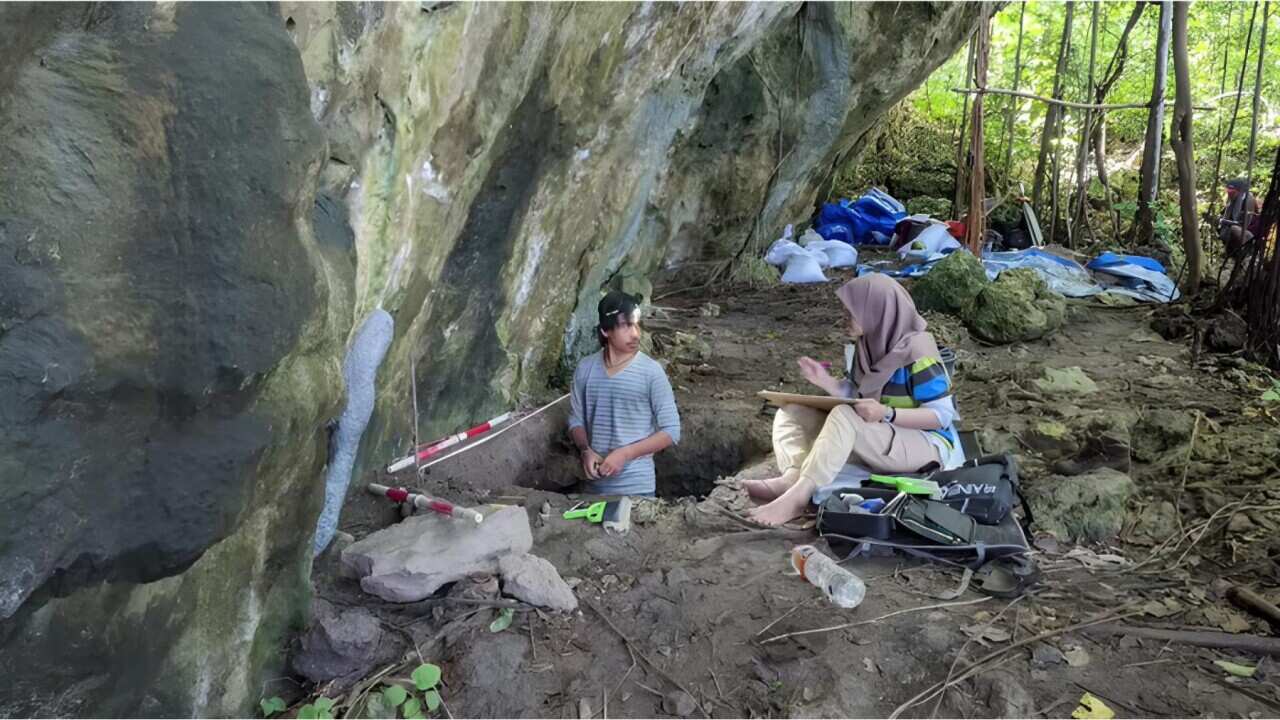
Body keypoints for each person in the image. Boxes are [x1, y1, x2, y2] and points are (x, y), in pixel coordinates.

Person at [744, 274, 962, 526]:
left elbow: (941, 416)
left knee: (843, 416)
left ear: (877, 312)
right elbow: (858, 395)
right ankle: (793, 476)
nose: (844, 319)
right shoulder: (868, 345)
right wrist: (826, 382)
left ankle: (798, 498)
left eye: (851, 313)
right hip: (880, 431)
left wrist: (887, 413)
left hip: (925, 444)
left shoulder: (920, 355)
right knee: (791, 411)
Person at [567, 290, 681, 496]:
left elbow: (671, 431)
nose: (636, 333)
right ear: (605, 330)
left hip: (637, 490)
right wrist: (585, 450)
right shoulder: (585, 369)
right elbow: (576, 421)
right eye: (626, 325)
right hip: (591, 490)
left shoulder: (651, 372)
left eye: (637, 325)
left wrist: (625, 453)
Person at [1219, 178, 1261, 257]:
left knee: (1234, 229)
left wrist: (1225, 221)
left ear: (1240, 191)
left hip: (1248, 230)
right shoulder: (1232, 199)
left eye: (1232, 192)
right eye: (1228, 192)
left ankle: (1245, 252)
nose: (1229, 194)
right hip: (1234, 225)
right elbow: (1227, 214)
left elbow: (1245, 223)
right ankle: (1230, 252)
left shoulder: (1248, 200)